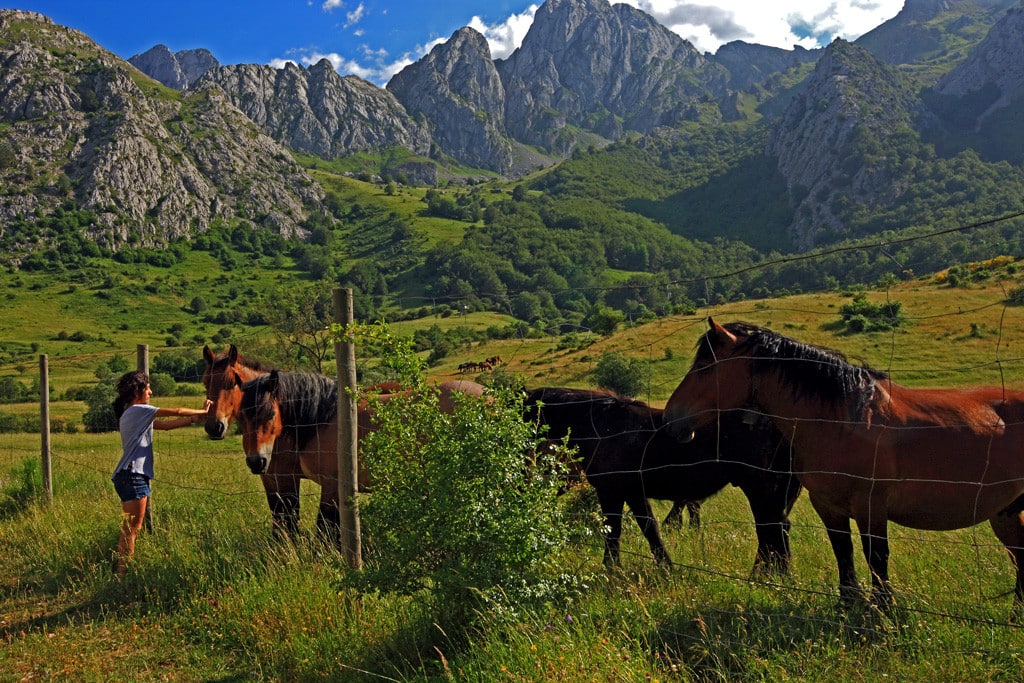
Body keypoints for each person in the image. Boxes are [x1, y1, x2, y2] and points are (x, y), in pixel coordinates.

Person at [110, 370, 212, 577]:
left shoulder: (131, 414)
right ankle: (124, 575)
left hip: (129, 476)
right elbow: (175, 411)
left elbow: (164, 426)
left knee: (130, 526)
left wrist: (193, 419)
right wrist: (203, 412)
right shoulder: (139, 410)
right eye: (147, 388)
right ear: (137, 391)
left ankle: (123, 572)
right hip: (133, 476)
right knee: (132, 528)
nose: (151, 391)